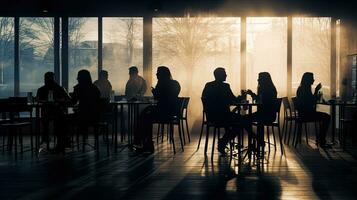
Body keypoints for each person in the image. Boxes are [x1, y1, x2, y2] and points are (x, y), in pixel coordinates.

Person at [217, 72, 278, 154]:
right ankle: (257, 139)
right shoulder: (268, 89)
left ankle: (224, 141)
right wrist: (250, 95)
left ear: (264, 80)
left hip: (266, 115)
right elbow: (260, 101)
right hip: (265, 114)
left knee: (243, 120)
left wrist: (243, 97)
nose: (258, 80)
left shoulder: (268, 90)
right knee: (243, 120)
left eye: (259, 78)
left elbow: (263, 103)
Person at [133, 66, 180, 153]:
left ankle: (144, 142)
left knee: (145, 117)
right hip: (171, 112)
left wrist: (155, 92)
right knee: (145, 114)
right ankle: (145, 143)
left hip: (163, 113)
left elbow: (159, 99)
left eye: (158, 72)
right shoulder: (175, 84)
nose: (156, 74)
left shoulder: (161, 84)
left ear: (162, 74)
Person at [36, 72, 71, 152]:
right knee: (60, 119)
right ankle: (62, 141)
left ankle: (45, 138)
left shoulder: (41, 89)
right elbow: (68, 99)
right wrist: (59, 101)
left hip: (46, 113)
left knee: (49, 120)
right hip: (58, 113)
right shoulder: (60, 88)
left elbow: (38, 101)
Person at [296, 72, 330, 146]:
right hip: (306, 114)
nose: (313, 80)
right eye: (312, 78)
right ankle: (321, 139)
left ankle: (320, 139)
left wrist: (315, 94)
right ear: (308, 80)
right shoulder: (304, 90)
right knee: (327, 117)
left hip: (303, 113)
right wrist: (316, 91)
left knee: (325, 116)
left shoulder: (302, 88)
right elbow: (311, 102)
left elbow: (310, 101)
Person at [71, 70, 101, 136]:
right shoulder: (95, 88)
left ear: (80, 79)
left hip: (82, 117)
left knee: (65, 119)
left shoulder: (78, 88)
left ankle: (66, 140)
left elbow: (73, 102)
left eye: (78, 78)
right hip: (95, 117)